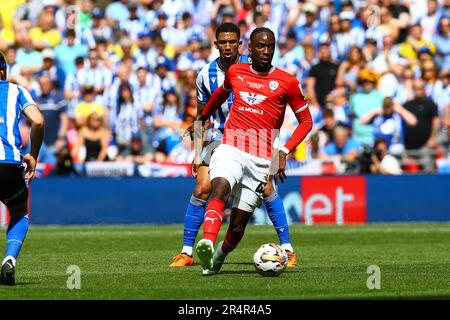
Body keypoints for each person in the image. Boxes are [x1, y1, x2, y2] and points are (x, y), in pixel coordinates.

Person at [170, 23, 299, 268]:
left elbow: (273, 109)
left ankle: (287, 249)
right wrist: (197, 152)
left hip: (257, 138)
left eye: (232, 42)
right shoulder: (205, 74)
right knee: (201, 189)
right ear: (216, 44)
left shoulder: (253, 67)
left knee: (268, 189)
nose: (228, 46)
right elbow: (201, 115)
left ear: (241, 45)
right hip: (220, 137)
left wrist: (277, 148)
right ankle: (187, 252)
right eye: (223, 42)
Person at [0, 52, 45, 285]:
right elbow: (38, 121)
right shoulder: (17, 91)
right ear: (3, 72)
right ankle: (9, 259)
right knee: (18, 212)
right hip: (8, 165)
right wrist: (33, 155)